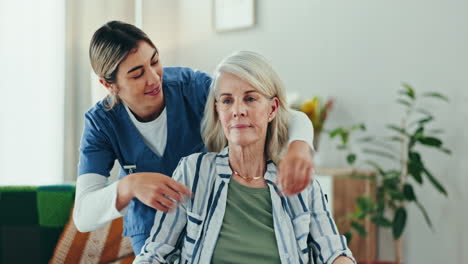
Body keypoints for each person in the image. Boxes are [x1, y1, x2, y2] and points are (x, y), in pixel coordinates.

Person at [73, 21, 316, 255]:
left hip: (212, 217)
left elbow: (288, 117)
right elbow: (84, 215)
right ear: (109, 84)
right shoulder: (101, 124)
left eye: (155, 61)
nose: (154, 78)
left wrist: (299, 147)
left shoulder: (191, 88)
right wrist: (129, 186)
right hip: (152, 229)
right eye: (137, 74)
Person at [134, 51, 354, 264]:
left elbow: (334, 251)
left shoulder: (301, 182)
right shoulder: (193, 172)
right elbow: (155, 253)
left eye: (250, 98)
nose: (238, 110)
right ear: (218, 110)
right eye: (227, 101)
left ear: (272, 109)